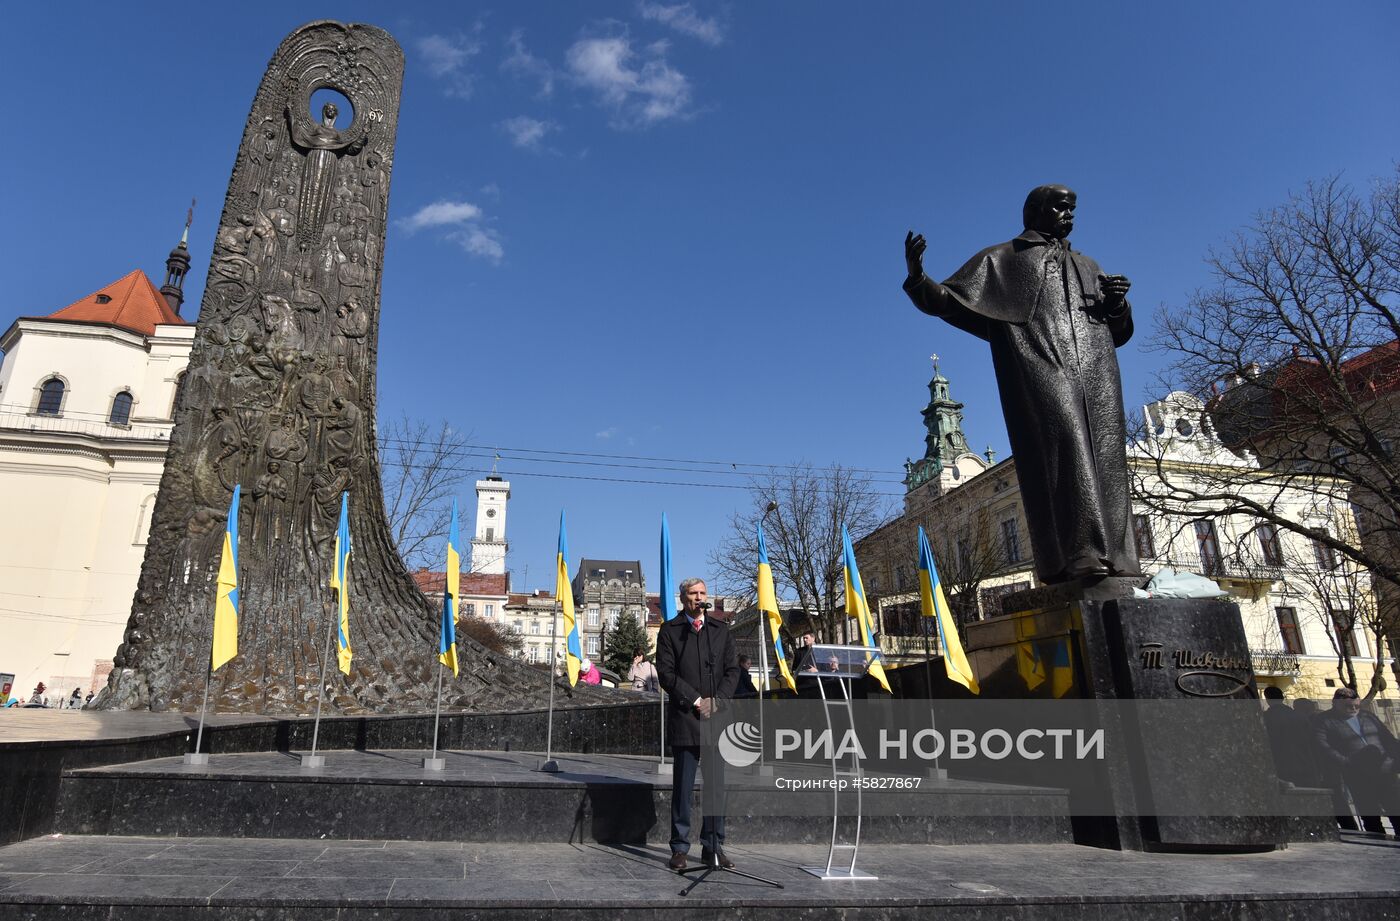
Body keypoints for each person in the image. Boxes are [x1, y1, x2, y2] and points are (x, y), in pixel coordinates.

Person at [904, 186, 1138, 584]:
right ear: (1035, 211)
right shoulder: (1003, 259)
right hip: (1044, 365)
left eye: (1073, 208)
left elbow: (1119, 331)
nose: (1069, 214)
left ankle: (1118, 558)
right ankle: (1080, 553)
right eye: (1060, 207)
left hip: (1098, 372)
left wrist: (1118, 305)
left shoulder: (1088, 264)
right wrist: (917, 276)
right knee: (1065, 447)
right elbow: (946, 299)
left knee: (1108, 457)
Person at [656, 576, 741, 871]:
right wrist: (695, 700)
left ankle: (713, 846)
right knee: (683, 787)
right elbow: (666, 674)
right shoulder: (670, 630)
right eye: (693, 593)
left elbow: (733, 671)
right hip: (686, 717)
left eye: (703, 593)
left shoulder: (720, 630)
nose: (698, 597)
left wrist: (717, 700)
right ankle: (679, 847)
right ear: (683, 598)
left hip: (717, 718)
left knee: (717, 787)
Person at [1314, 687, 1400, 835]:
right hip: (1358, 776)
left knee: (1395, 809)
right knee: (1370, 815)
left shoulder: (1368, 716)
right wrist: (1347, 762)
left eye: (1356, 705)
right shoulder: (1324, 721)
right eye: (1349, 706)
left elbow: (1388, 739)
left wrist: (1391, 759)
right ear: (1336, 703)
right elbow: (1324, 748)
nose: (1354, 709)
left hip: (1384, 771)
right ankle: (1379, 846)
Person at [1260, 686, 1320, 787]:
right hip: (1305, 764)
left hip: (1280, 766)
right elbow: (1312, 741)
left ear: (1267, 699)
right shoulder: (1300, 717)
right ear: (1282, 698)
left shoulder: (1265, 718)